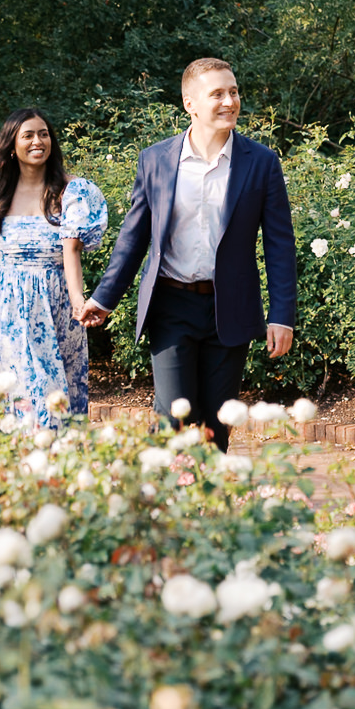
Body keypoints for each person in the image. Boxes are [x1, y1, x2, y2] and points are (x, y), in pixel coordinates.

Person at [80, 58, 296, 449]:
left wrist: (282, 316)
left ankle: (206, 507)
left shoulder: (261, 163)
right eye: (217, 93)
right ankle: (161, 499)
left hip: (230, 307)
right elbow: (134, 236)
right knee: (175, 416)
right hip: (171, 305)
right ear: (189, 103)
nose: (229, 101)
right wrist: (104, 297)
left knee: (217, 423)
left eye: (233, 92)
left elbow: (280, 244)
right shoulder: (156, 160)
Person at [0, 108, 108, 429]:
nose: (37, 141)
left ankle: (53, 470)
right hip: (5, 307)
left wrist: (77, 302)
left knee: (55, 397)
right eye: (27, 135)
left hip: (54, 305)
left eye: (43, 134)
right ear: (11, 145)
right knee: (15, 394)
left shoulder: (72, 192)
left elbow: (71, 250)